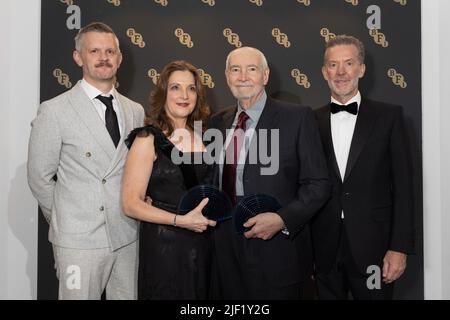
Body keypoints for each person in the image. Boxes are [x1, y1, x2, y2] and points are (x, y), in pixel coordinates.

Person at [27, 22, 145, 299]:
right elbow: (39, 178)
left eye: (109, 51)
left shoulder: (135, 111)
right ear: (78, 57)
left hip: (127, 235)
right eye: (94, 51)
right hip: (78, 240)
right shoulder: (54, 111)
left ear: (119, 58)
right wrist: (66, 219)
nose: (103, 57)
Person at [209, 47, 330, 299]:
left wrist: (282, 219)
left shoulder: (297, 117)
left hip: (277, 248)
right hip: (226, 246)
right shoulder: (217, 122)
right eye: (235, 70)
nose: (243, 76)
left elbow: (318, 184)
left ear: (265, 76)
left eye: (251, 69)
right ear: (227, 76)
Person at [311, 35, 415, 300]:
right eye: (333, 65)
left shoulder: (390, 116)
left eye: (349, 63)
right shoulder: (310, 121)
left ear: (362, 68)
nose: (341, 72)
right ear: (324, 72)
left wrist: (398, 248)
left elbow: (404, 188)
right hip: (323, 247)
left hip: (375, 248)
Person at [122, 60, 217, 300]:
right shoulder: (147, 139)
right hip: (165, 248)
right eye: (175, 87)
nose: (184, 95)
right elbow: (130, 203)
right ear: (163, 93)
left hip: (206, 247)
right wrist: (180, 220)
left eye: (191, 88)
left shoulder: (207, 137)